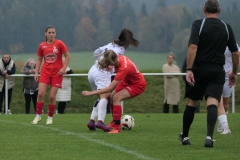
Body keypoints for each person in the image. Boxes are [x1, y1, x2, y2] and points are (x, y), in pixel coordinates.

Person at [178, 0, 239, 148]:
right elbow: (235, 53)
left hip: (199, 69)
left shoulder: (198, 24)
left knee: (192, 101)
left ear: (204, 9)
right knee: (212, 101)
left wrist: (189, 69)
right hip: (217, 70)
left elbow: (193, 46)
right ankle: (209, 137)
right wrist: (234, 73)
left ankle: (185, 137)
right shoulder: (226, 26)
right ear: (219, 10)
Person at [86, 28, 140, 132]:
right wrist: (107, 67)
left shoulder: (111, 44)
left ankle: (91, 121)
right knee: (105, 97)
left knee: (100, 98)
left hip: (93, 71)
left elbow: (96, 51)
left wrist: (99, 63)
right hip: (103, 72)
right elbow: (115, 63)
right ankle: (100, 121)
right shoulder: (120, 50)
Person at [82, 50, 146, 134]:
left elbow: (109, 89)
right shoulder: (119, 57)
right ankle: (114, 122)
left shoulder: (123, 68)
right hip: (127, 82)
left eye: (110, 64)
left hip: (137, 85)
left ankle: (117, 127)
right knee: (111, 97)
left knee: (116, 98)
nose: (110, 66)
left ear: (113, 61)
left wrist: (90, 93)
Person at [31, 25, 70, 125]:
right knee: (40, 94)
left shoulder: (59, 43)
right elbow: (39, 59)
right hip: (45, 73)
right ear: (46, 34)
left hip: (57, 74)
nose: (51, 34)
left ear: (55, 34)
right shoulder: (42, 45)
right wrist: (36, 72)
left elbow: (68, 56)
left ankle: (50, 117)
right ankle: (38, 116)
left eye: (53, 32)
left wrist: (63, 68)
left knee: (52, 97)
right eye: (50, 32)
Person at [217, 44, 240, 134]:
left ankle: (221, 120)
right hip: (217, 75)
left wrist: (234, 70)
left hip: (228, 77)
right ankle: (224, 125)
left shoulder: (234, 46)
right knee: (219, 101)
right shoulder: (217, 42)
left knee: (225, 104)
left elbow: (238, 58)